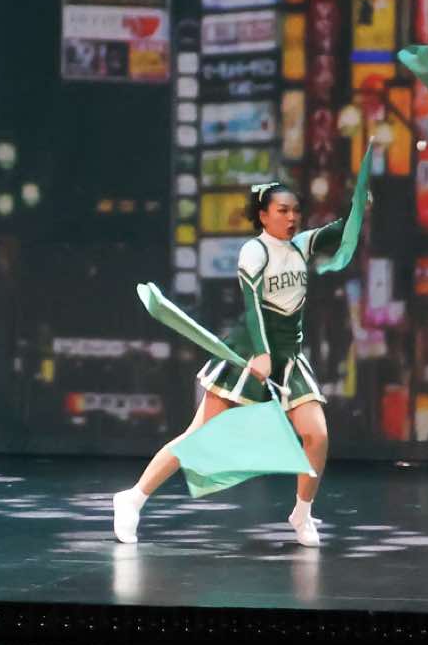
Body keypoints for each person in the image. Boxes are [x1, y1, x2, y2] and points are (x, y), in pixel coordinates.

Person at [114, 179, 358, 548]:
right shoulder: (253, 252)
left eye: (295, 211)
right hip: (246, 355)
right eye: (282, 211)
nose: (292, 217)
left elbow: (339, 232)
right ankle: (132, 499)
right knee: (197, 438)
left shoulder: (302, 244)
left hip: (289, 358)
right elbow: (252, 306)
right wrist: (260, 353)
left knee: (317, 435)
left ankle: (302, 513)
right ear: (263, 216)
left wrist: (360, 205)